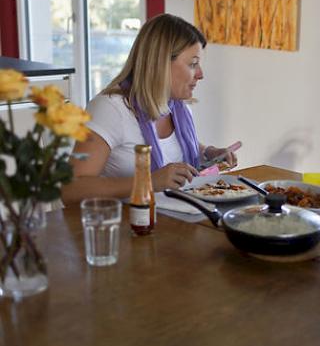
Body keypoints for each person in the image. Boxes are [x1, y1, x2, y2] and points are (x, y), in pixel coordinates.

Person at [61, 13, 237, 205]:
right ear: (160, 63)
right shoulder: (110, 109)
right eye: (193, 64)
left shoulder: (176, 107)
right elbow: (71, 189)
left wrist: (207, 153)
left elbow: (169, 146)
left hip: (175, 221)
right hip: (126, 227)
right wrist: (149, 181)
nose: (200, 74)